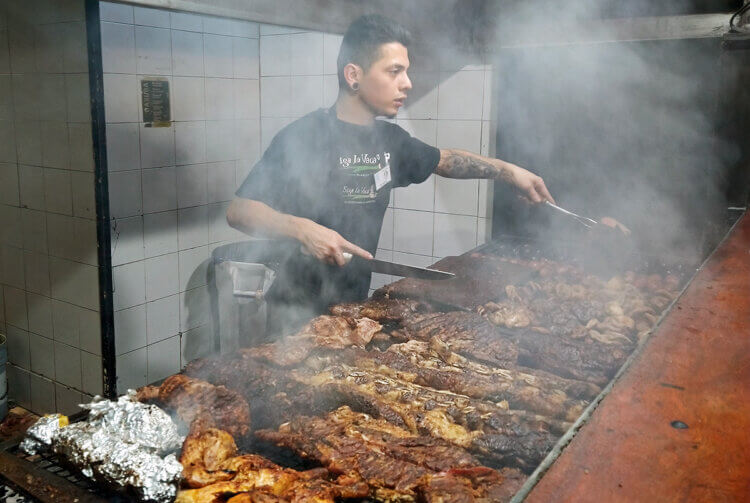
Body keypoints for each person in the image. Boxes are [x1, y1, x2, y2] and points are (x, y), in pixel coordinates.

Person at [227, 14, 554, 336]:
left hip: (352, 311)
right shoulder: (304, 136)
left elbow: (446, 160)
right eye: (394, 71)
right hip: (293, 315)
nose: (407, 83)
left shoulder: (391, 141)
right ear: (354, 75)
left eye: (406, 71)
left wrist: (509, 171)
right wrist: (303, 230)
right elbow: (239, 211)